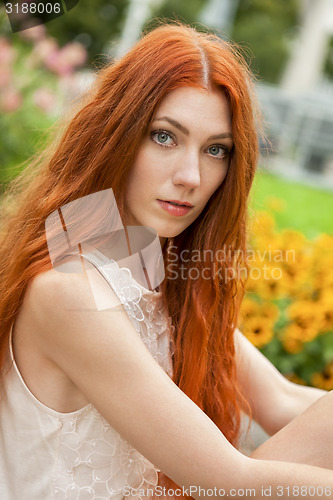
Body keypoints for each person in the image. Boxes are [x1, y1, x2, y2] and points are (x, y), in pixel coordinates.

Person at [0, 22, 332, 500]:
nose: (191, 176)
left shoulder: (143, 259)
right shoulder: (67, 289)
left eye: (216, 149)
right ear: (116, 134)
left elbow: (283, 402)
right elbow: (223, 482)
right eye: (164, 137)